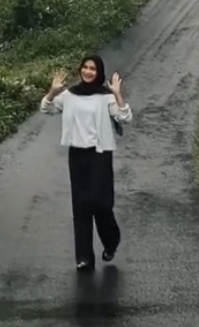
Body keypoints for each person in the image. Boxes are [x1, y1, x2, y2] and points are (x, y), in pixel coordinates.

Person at [40, 55, 132, 271]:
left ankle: (111, 240)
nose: (88, 71)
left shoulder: (105, 96)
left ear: (98, 72)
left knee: (101, 203)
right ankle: (84, 258)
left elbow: (125, 118)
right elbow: (46, 108)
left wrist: (118, 95)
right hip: (78, 154)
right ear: (80, 70)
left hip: (100, 153)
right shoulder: (70, 95)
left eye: (93, 69)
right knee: (80, 205)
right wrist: (53, 91)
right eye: (85, 68)